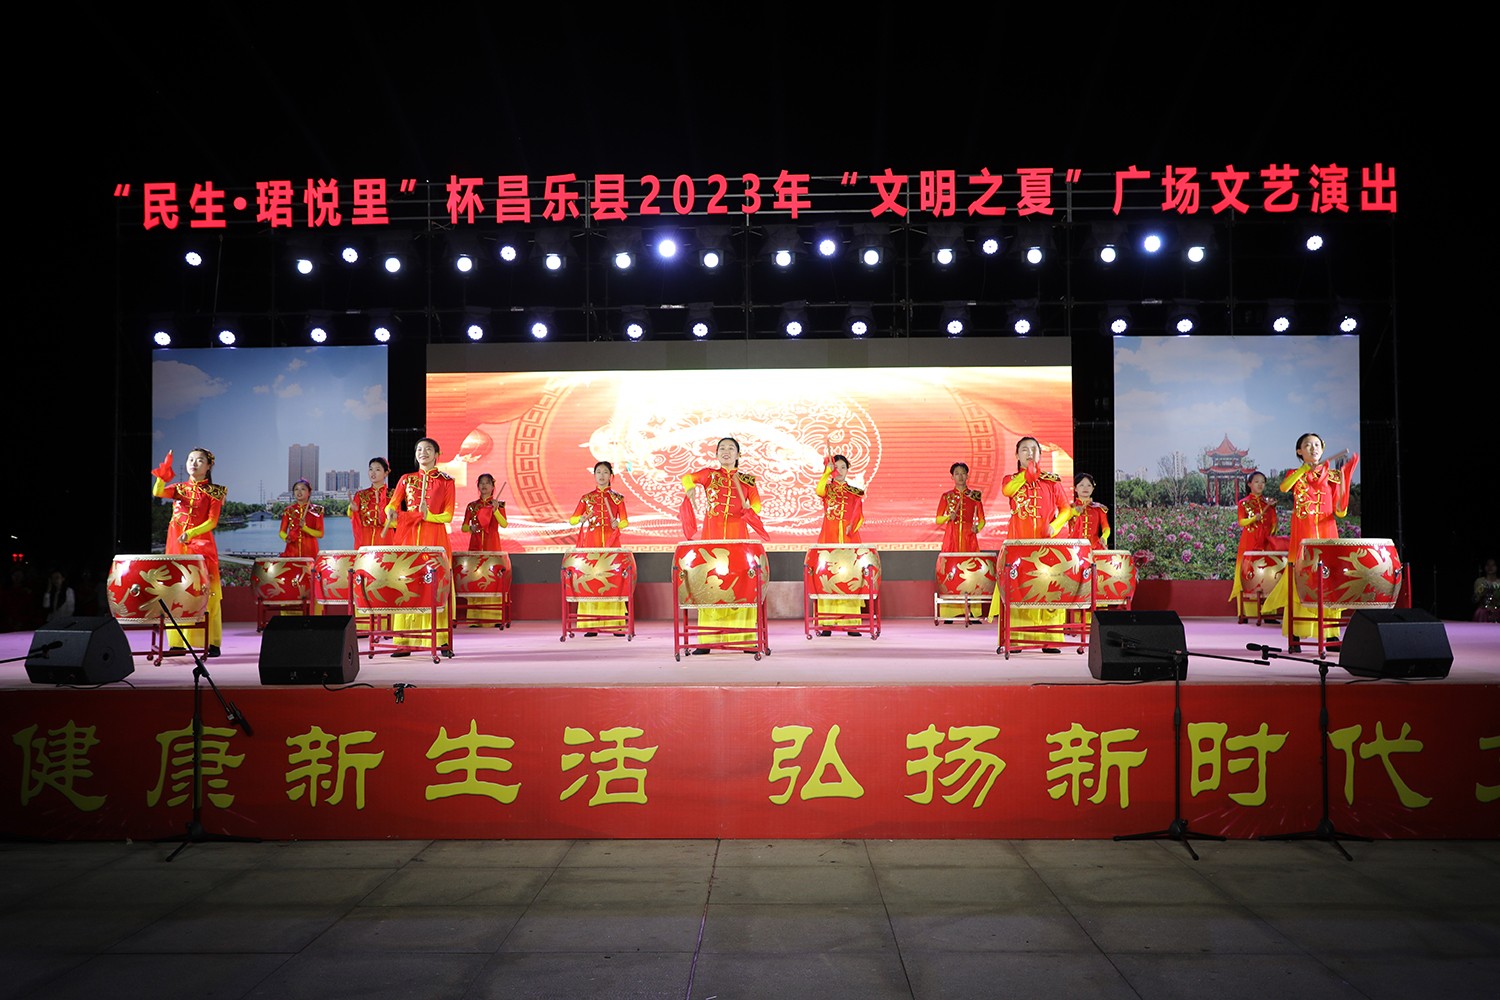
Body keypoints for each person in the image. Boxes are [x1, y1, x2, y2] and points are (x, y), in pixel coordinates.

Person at [1262, 432, 1359, 651]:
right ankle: (1296, 633)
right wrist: (1304, 470)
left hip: (1327, 534)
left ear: (1322, 449)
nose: (1313, 448)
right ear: (1299, 451)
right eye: (1307, 445)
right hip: (1303, 537)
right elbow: (1284, 487)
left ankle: (1331, 636)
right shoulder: (1295, 474)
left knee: (1329, 582)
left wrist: (1344, 480)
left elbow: (1340, 512)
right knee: (1301, 581)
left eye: (1317, 445)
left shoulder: (1332, 476)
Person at [680, 437, 764, 652]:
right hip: (712, 538)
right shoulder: (710, 475)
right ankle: (708, 640)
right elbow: (687, 477)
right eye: (722, 448)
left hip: (738, 539)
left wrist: (750, 509)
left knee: (739, 585)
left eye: (731, 448)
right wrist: (690, 488)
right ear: (717, 454)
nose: (726, 451)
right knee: (710, 584)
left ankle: (744, 639)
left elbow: (757, 505)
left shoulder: (747, 480)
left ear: (738, 454)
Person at [989, 436, 1071, 647]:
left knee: (1049, 589)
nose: (1030, 453)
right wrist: (1028, 474)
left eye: (1034, 449)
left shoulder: (1051, 482)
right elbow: (1008, 491)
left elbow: (1066, 510)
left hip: (1047, 546)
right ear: (1017, 455)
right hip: (1019, 547)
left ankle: (1050, 640)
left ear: (1040, 454)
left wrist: (1055, 526)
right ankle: (1017, 639)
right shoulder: (1010, 480)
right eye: (1024, 449)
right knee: (1019, 589)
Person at [383, 438, 456, 656]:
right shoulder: (406, 479)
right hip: (409, 538)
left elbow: (448, 515)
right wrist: (390, 512)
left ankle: (441, 640)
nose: (423, 453)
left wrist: (428, 515)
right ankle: (404, 640)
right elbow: (392, 505)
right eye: (419, 449)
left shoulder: (446, 481)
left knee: (435, 585)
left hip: (435, 538)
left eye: (428, 449)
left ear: (437, 454)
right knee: (407, 583)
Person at [151, 448, 225, 656]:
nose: (194, 463)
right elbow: (157, 492)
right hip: (176, 547)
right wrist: (163, 473)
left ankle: (212, 642)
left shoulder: (215, 492)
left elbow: (212, 522)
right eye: (190, 459)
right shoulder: (179, 489)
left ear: (208, 466)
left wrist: (191, 533)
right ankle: (177, 644)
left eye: (200, 460)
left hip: (202, 548)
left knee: (208, 594)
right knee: (176, 593)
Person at [570, 461, 630, 635]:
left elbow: (625, 521)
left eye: (605, 472)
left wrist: (618, 523)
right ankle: (591, 624)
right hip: (592, 543)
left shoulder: (617, 498)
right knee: (592, 580)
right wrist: (581, 519)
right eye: (598, 472)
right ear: (594, 475)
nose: (601, 475)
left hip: (612, 544)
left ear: (611, 476)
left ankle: (615, 623)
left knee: (612, 581)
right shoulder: (586, 498)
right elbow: (572, 519)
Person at [815, 452, 866, 635]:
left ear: (847, 470)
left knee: (850, 578)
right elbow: (819, 490)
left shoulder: (854, 492)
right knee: (828, 577)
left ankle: (851, 623)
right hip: (829, 538)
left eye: (843, 467)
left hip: (849, 539)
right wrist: (826, 473)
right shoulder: (827, 489)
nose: (840, 470)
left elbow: (859, 515)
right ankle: (827, 623)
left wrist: (853, 526)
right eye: (836, 467)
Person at [934, 462, 985, 622]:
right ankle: (950, 613)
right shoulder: (947, 496)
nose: (960, 476)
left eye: (963, 473)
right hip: (952, 537)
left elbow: (982, 520)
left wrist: (977, 528)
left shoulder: (974, 496)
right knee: (951, 572)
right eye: (957, 473)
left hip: (969, 538)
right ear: (952, 477)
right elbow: (938, 519)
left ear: (967, 475)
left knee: (972, 572)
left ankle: (973, 613)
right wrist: (948, 517)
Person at [1228, 470, 1279, 623]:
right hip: (1249, 542)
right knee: (1247, 575)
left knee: (1268, 576)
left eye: (1262, 482)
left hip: (1265, 543)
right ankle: (1245, 613)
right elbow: (1241, 522)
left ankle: (1268, 613)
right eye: (1256, 482)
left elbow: (1273, 525)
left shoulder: (1268, 504)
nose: (1260, 485)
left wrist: (1271, 528)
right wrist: (1253, 519)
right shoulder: (1243, 503)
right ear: (1249, 484)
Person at [461, 473, 508, 626]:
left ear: (493, 486)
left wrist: (495, 511)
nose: (484, 485)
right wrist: (471, 528)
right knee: (475, 579)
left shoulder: (499, 505)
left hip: (492, 545)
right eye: (481, 483)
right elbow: (463, 527)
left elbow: (504, 524)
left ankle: (494, 618)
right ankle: (475, 618)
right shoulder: (472, 506)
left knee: (491, 580)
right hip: (475, 547)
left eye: (487, 482)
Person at [1050, 473, 1111, 548]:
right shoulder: (1069, 508)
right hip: (1074, 547)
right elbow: (1061, 523)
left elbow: (1106, 527)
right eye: (1081, 485)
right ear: (1075, 488)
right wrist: (1073, 511)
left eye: (1089, 485)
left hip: (1094, 548)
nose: (1085, 488)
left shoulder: (1099, 509)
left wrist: (1104, 537)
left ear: (1093, 488)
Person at [350, 457, 394, 548]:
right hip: (365, 538)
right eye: (370, 469)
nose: (373, 473)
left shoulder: (392, 494)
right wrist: (352, 510)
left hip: (385, 537)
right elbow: (354, 517)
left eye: (377, 470)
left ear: (386, 473)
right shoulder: (361, 495)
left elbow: (397, 519)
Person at [279, 479, 324, 559]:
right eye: (296, 489)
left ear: (309, 493)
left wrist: (305, 528)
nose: (299, 492)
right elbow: (282, 532)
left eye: (303, 489)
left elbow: (320, 534)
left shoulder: (317, 509)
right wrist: (286, 537)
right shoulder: (288, 510)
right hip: (292, 551)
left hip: (310, 551)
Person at [1474, 557, 1500, 623]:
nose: (1490, 567)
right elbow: (1475, 599)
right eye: (1488, 565)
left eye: (1493, 565)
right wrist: (1480, 592)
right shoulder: (1480, 581)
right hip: (1482, 613)